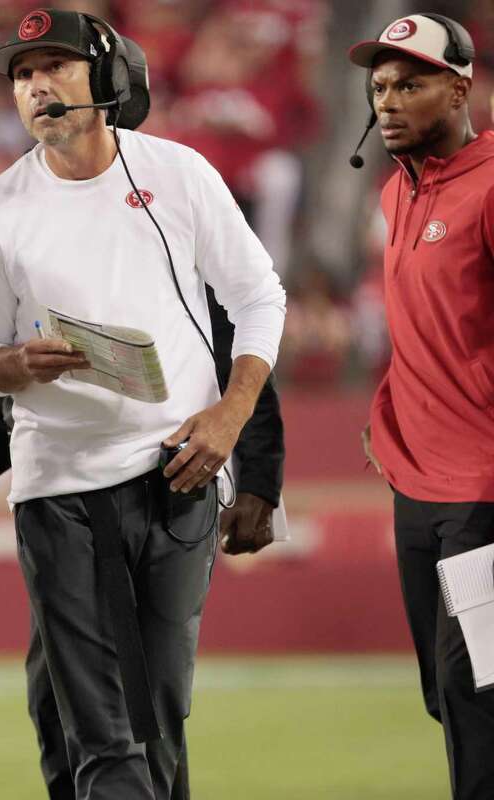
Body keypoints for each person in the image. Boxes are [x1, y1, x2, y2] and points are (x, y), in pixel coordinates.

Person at [0, 10, 286, 799]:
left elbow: (258, 298)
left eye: (54, 67)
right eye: (23, 76)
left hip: (177, 474)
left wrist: (234, 420)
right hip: (58, 488)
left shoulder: (180, 174)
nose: (35, 87)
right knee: (101, 732)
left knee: (158, 721)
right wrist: (7, 363)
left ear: (107, 79)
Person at [0, 291, 285, 800]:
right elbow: (28, 379)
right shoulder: (39, 242)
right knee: (59, 699)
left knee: (142, 704)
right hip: (61, 497)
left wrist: (259, 480)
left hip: (159, 489)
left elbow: (239, 343)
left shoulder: (159, 234)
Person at [349, 14, 494, 799]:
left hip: (483, 491)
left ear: (461, 87)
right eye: (379, 87)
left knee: (481, 695)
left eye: (411, 83)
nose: (389, 101)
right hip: (417, 489)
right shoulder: (395, 191)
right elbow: (428, 327)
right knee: (447, 696)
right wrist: (391, 403)